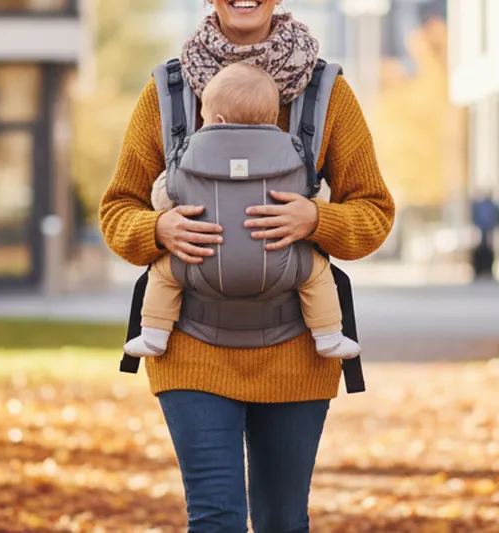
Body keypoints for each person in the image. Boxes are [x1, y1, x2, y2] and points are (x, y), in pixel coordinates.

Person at [97, 0, 395, 530]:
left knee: (282, 520)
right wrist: (157, 229)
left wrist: (315, 219)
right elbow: (117, 209)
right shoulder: (167, 95)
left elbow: (374, 213)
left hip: (297, 349)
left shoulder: (328, 95)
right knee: (216, 517)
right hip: (190, 345)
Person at [124, 62, 362, 361]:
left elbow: (163, 194)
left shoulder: (187, 155)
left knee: (162, 276)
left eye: (204, 116)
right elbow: (320, 193)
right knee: (317, 275)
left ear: (218, 119)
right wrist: (316, 215)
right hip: (286, 265)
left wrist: (160, 222)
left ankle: (154, 334)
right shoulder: (295, 154)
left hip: (197, 263)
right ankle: (328, 336)